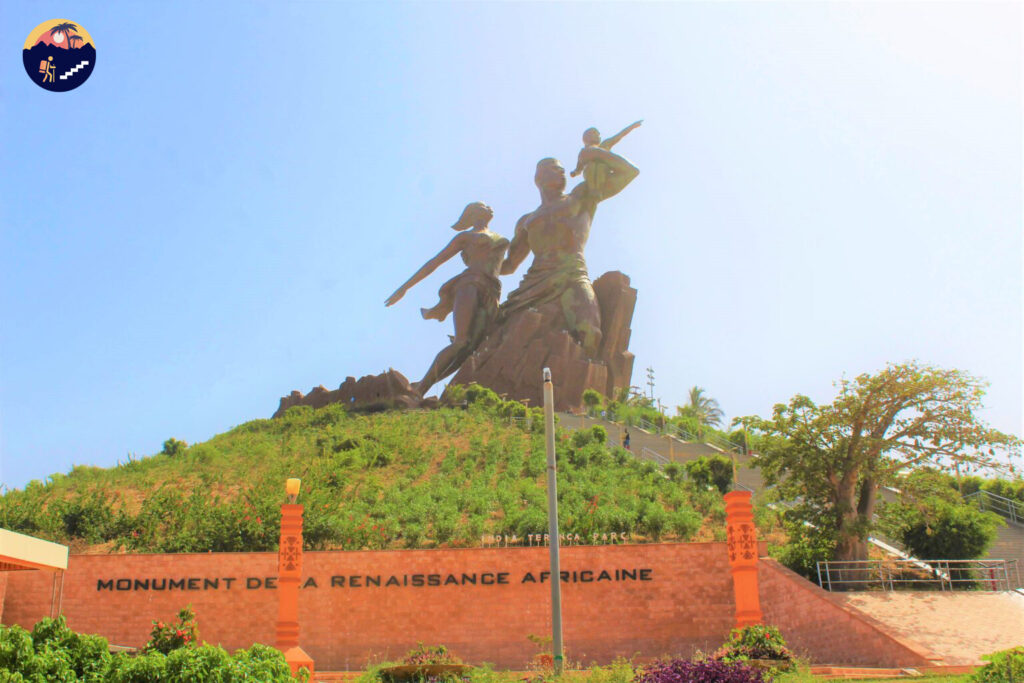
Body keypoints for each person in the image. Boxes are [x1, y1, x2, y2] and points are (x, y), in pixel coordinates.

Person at [500, 145, 640, 358]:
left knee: (591, 332)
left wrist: (596, 153)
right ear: (539, 177)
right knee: (501, 331)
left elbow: (629, 172)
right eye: (555, 168)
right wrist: (479, 265)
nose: (562, 172)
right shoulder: (526, 221)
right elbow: (509, 265)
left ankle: (583, 383)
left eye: (563, 170)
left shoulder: (581, 195)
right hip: (534, 282)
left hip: (572, 275)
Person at [385, 202, 509, 396]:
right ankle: (421, 387)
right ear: (474, 212)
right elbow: (435, 262)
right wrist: (404, 288)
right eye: (484, 205)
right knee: (461, 342)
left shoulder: (500, 237)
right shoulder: (466, 237)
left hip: (492, 291)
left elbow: (507, 267)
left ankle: (428, 386)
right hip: (470, 285)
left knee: (474, 347)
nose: (490, 206)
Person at [569, 120, 643, 192]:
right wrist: (574, 173)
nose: (598, 136)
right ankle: (594, 191)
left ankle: (597, 190)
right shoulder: (583, 152)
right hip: (591, 176)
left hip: (604, 174)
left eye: (598, 134)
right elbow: (579, 168)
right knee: (592, 166)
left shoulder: (604, 145)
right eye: (594, 133)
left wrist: (632, 126)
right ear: (587, 137)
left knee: (601, 166)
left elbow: (619, 136)